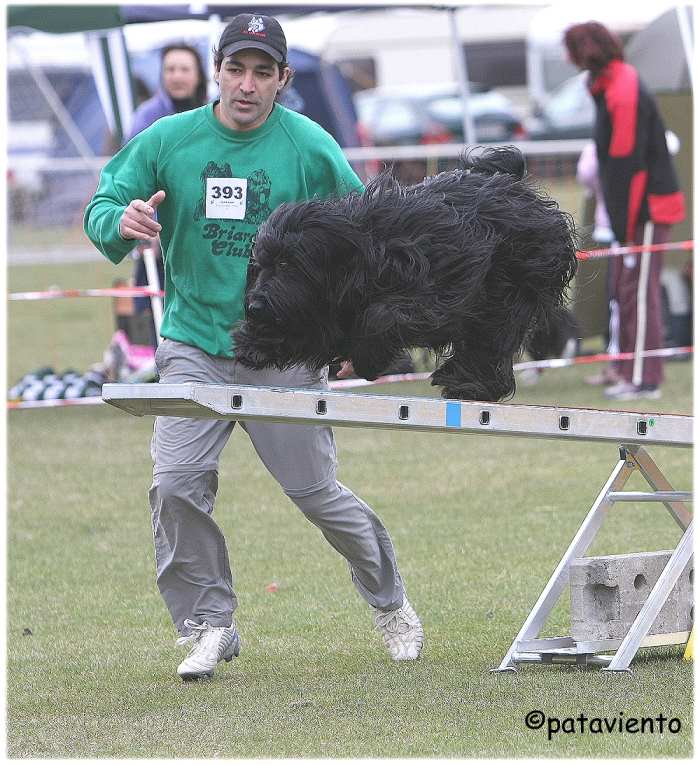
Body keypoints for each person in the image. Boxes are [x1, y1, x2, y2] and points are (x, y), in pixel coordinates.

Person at [84, 13, 423, 681]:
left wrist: (358, 336)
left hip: (285, 353)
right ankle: (210, 625)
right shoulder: (167, 140)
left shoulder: (310, 147)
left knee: (316, 491)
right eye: (235, 68)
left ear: (283, 80)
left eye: (262, 72)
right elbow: (103, 207)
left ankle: (391, 603)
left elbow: (367, 244)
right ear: (216, 71)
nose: (246, 84)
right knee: (176, 484)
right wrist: (120, 221)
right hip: (194, 345)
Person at [563, 22, 685, 401]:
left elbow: (627, 165)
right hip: (628, 211)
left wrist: (624, 224)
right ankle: (624, 367)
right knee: (624, 291)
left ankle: (645, 380)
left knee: (641, 294)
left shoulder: (623, 89)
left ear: (586, 51)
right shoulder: (606, 84)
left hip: (646, 209)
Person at [127, 44, 210, 346]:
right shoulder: (147, 117)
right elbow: (133, 177)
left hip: (205, 236)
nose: (176, 76)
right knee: (159, 312)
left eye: (184, 69)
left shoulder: (216, 114)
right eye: (170, 69)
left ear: (199, 74)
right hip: (159, 236)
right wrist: (144, 227)